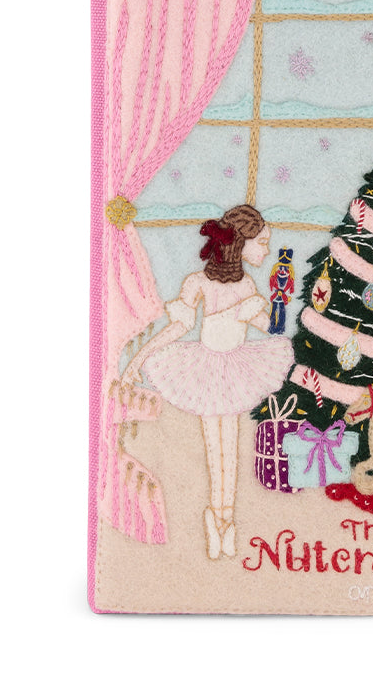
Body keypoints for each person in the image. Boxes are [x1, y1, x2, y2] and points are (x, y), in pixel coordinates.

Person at [122, 205, 293, 559]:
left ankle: (224, 522)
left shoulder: (247, 286)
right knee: (215, 448)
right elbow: (179, 326)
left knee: (229, 446)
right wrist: (138, 359)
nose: (265, 250)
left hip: (237, 368)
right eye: (262, 243)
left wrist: (279, 301)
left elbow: (272, 328)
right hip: (206, 369)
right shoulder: (197, 283)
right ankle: (216, 522)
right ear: (241, 243)